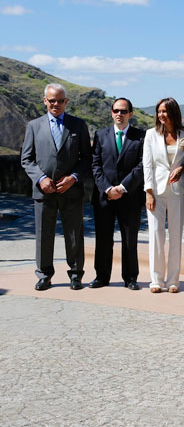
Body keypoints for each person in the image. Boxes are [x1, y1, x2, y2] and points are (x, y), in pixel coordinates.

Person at [21, 83, 91, 291]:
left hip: (71, 191)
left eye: (60, 101)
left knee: (74, 234)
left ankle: (76, 274)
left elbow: (86, 158)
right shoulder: (34, 126)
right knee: (44, 235)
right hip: (44, 191)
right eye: (52, 100)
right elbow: (26, 159)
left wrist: (74, 177)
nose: (56, 104)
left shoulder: (78, 125)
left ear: (66, 102)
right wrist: (41, 178)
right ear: (45, 101)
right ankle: (44, 275)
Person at [90, 97, 145, 290]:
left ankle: (130, 278)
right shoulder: (100, 134)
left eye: (123, 111)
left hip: (130, 197)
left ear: (130, 113)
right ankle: (101, 277)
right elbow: (95, 165)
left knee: (129, 240)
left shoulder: (141, 136)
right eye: (115, 111)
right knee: (103, 239)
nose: (119, 114)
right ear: (111, 113)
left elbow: (142, 166)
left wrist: (122, 188)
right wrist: (107, 189)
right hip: (104, 197)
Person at [143, 97, 184, 293]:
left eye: (165, 111)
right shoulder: (151, 135)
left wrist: (182, 168)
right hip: (155, 190)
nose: (161, 115)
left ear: (173, 112)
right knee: (155, 234)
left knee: (175, 236)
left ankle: (173, 280)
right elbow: (147, 165)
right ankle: (156, 280)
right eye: (159, 111)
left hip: (178, 190)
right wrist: (148, 192)